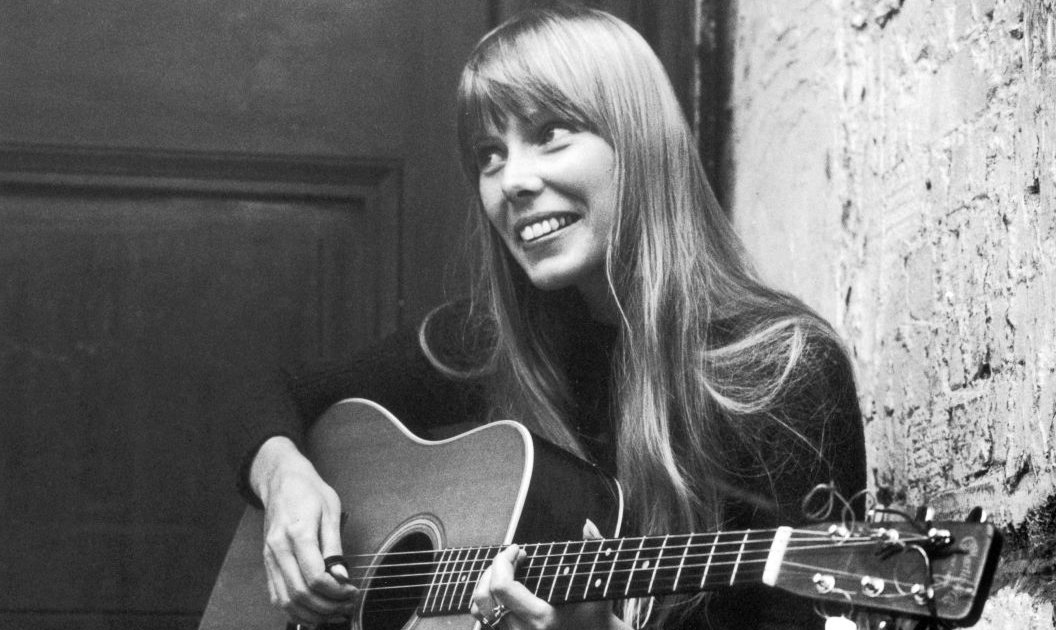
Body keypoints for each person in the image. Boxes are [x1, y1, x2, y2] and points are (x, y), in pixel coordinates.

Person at [233, 5, 866, 629]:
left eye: (551, 132)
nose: (511, 180)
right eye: (489, 153)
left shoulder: (781, 372)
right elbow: (269, 394)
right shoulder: (485, 347)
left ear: (640, 142)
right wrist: (282, 476)